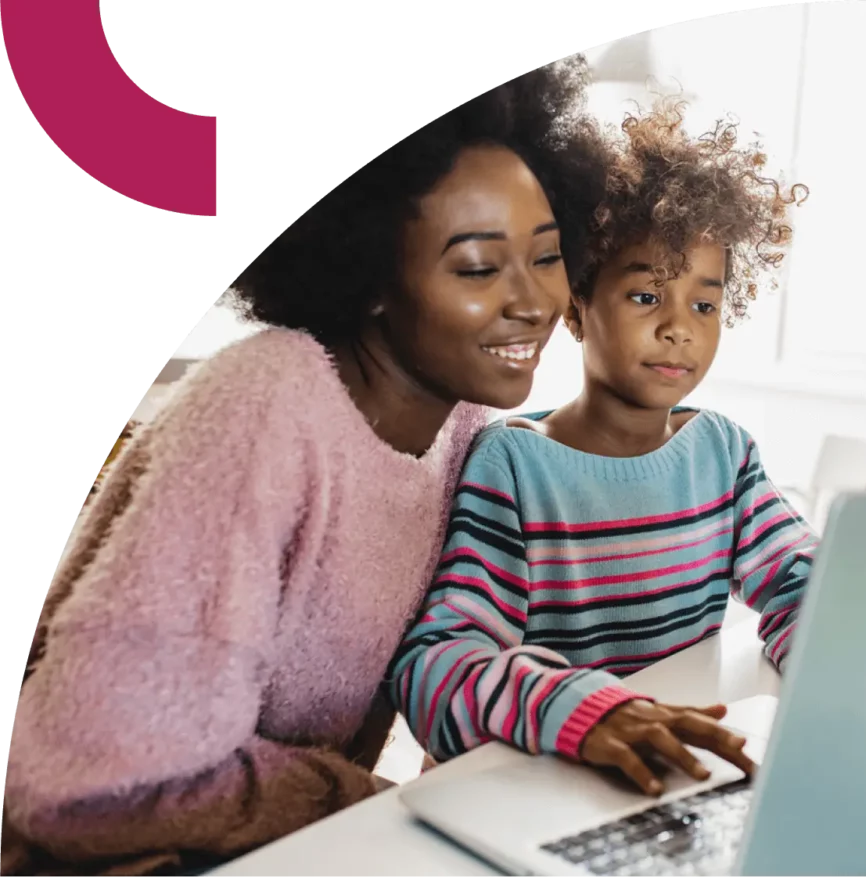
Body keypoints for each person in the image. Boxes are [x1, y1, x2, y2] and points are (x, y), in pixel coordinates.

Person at [1, 59, 612, 877]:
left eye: (545, 256)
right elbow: (99, 785)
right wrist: (358, 799)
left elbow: (451, 653)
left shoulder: (465, 422)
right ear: (369, 280)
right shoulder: (267, 401)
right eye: (476, 268)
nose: (533, 302)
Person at [388, 102, 815, 797]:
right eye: (648, 295)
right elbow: (436, 670)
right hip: (536, 781)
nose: (679, 328)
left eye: (704, 306)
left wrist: (828, 661)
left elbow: (803, 581)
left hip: (665, 777)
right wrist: (584, 711)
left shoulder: (723, 455)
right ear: (579, 305)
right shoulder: (515, 465)